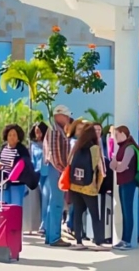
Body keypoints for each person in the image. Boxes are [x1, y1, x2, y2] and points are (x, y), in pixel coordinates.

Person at [67, 122, 106, 250]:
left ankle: (78, 241)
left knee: (78, 213)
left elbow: (69, 162)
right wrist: (98, 185)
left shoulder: (76, 146)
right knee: (95, 214)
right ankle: (98, 241)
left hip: (75, 185)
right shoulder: (94, 148)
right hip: (89, 186)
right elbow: (100, 168)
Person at [42, 106, 72, 248]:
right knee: (57, 203)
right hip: (57, 169)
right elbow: (55, 154)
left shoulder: (54, 130)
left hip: (54, 169)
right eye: (66, 116)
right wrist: (63, 169)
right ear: (59, 116)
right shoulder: (55, 131)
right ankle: (54, 237)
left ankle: (50, 235)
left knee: (52, 203)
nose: (67, 119)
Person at [110, 125, 139, 250]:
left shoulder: (129, 148)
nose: (115, 137)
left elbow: (119, 166)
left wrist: (118, 165)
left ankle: (127, 240)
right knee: (124, 211)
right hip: (123, 182)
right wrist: (118, 165)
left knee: (127, 211)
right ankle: (124, 239)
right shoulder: (122, 148)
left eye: (116, 135)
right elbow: (113, 165)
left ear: (123, 134)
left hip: (129, 182)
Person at [0, 124, 30, 207]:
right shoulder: (3, 147)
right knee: (4, 207)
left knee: (16, 207)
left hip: (17, 184)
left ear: (18, 137)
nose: (12, 137)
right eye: (10, 135)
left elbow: (26, 162)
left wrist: (15, 164)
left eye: (14, 135)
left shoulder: (22, 149)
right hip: (3, 183)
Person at [25, 122, 48, 235]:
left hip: (48, 173)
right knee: (38, 201)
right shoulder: (33, 145)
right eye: (36, 131)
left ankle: (44, 225)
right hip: (37, 174)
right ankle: (39, 223)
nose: (37, 133)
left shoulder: (48, 142)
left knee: (46, 199)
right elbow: (32, 160)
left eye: (39, 131)